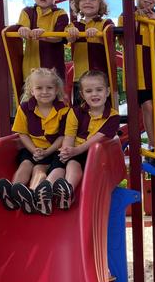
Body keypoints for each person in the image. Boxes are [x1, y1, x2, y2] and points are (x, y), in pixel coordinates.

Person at [0, 68, 70, 215]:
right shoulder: (25, 108)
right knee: (25, 164)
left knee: (39, 169)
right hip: (32, 149)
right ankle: (14, 192)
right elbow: (22, 133)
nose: (45, 91)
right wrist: (33, 150)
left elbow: (63, 136)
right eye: (39, 88)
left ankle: (32, 193)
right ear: (31, 90)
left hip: (52, 150)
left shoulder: (63, 110)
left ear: (56, 90)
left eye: (49, 88)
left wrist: (47, 151)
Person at [51, 70, 120, 210]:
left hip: (94, 157)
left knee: (72, 165)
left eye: (99, 90)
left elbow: (97, 138)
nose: (94, 94)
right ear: (82, 95)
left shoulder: (112, 116)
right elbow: (69, 135)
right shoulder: (75, 112)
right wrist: (66, 151)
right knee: (62, 164)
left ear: (107, 92)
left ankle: (67, 190)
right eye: (89, 91)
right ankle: (46, 190)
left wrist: (75, 151)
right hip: (74, 151)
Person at [118, 0, 155, 166]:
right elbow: (124, 40)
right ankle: (148, 147)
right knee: (140, 109)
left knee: (153, 109)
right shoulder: (126, 16)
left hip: (154, 72)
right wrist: (136, 17)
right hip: (135, 72)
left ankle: (154, 146)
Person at [12, 0, 69, 80]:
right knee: (31, 95)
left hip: (53, 68)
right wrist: (23, 29)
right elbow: (22, 28)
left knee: (53, 94)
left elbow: (60, 37)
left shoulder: (60, 14)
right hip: (31, 68)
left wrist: (44, 36)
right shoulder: (27, 12)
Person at [66, 0, 114, 106]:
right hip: (80, 78)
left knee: (102, 109)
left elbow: (111, 39)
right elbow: (68, 38)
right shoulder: (75, 25)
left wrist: (99, 34)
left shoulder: (105, 23)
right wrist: (71, 34)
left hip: (100, 77)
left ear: (100, 4)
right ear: (77, 4)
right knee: (80, 111)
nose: (88, 2)